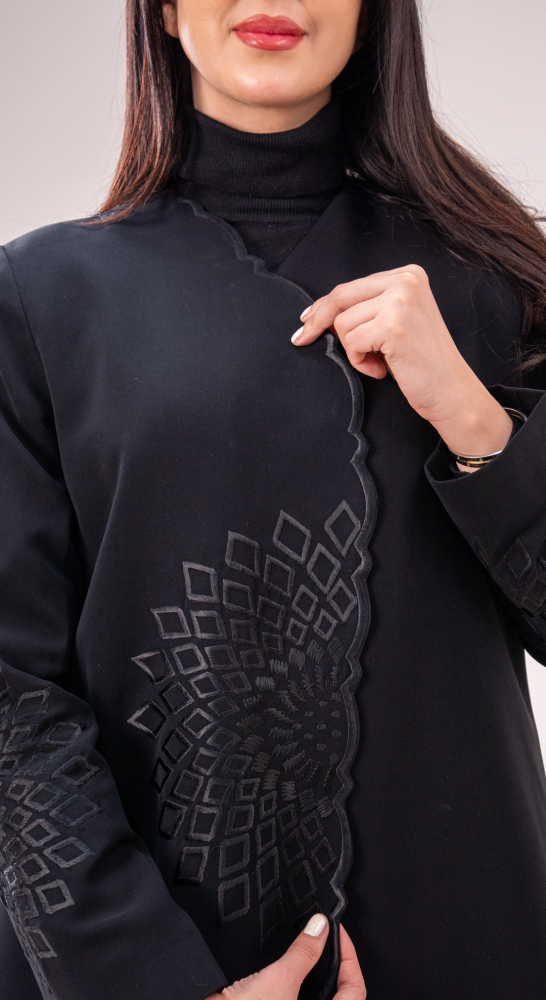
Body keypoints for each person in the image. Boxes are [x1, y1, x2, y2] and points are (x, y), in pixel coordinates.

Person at [1, 1, 546, 998]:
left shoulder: (494, 282)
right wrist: (154, 983)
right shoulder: (39, 299)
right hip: (169, 951)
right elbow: (9, 693)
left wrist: (475, 420)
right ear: (165, 11)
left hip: (466, 930)